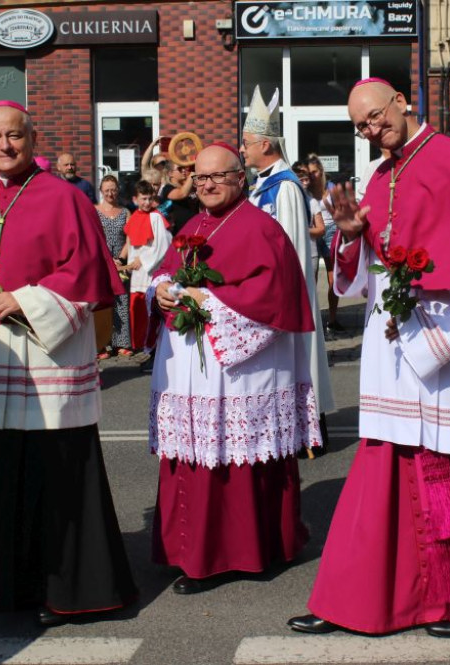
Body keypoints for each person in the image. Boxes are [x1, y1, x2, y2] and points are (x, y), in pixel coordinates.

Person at [288, 78, 450, 638]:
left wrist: (430, 345)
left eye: (376, 117)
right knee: (383, 475)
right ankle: (360, 599)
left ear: (401, 100)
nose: (371, 130)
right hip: (393, 352)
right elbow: (361, 279)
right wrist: (351, 236)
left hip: (447, 352)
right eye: (361, 126)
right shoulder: (380, 176)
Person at [0, 101, 136, 627]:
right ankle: (15, 588)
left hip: (48, 354)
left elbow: (88, 272)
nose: (4, 146)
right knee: (1, 474)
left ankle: (76, 592)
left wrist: (26, 299)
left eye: (14, 136)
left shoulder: (65, 198)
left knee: (59, 475)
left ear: (31, 138)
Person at [148, 142, 322, 594]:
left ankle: (230, 554)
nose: (206, 185)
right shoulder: (195, 223)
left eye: (217, 177)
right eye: (200, 177)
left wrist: (212, 302)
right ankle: (184, 548)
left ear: (239, 178)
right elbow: (166, 270)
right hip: (192, 368)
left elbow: (275, 297)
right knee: (192, 455)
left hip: (242, 371)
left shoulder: (261, 229)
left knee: (233, 456)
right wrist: (163, 290)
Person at [240, 84, 336, 430]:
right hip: (267, 290)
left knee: (297, 358)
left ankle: (307, 429)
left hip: (284, 293)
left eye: (246, 142)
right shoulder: (262, 185)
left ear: (265, 144)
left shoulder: (285, 187)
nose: (242, 149)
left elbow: (292, 246)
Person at [121, 179, 171, 354]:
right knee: (137, 307)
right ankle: (139, 343)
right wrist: (127, 261)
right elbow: (132, 241)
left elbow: (163, 245)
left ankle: (151, 346)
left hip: (149, 270)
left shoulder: (156, 217)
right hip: (137, 271)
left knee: (149, 307)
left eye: (150, 198)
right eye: (143, 198)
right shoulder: (135, 216)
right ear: (135, 199)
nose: (147, 202)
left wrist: (142, 260)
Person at [95, 174, 132, 358]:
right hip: (100, 263)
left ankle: (122, 343)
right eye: (107, 189)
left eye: (113, 189)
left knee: (121, 301)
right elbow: (92, 237)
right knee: (102, 303)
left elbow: (130, 239)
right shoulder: (94, 211)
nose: (110, 193)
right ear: (101, 191)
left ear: (118, 190)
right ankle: (102, 344)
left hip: (119, 263)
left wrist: (120, 258)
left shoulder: (125, 212)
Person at [306, 155, 341, 330]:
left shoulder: (331, 188)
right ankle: (314, 319)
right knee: (311, 278)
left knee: (332, 277)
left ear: (321, 172)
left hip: (331, 232)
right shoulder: (305, 190)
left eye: (315, 172)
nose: (312, 175)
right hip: (313, 233)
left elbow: (340, 212)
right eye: (310, 172)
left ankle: (332, 319)